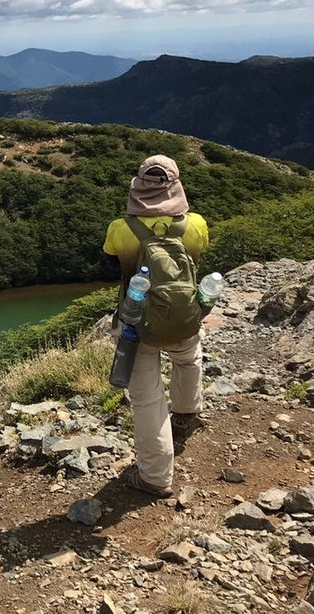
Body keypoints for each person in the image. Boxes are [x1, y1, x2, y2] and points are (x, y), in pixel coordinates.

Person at [103, 155, 209, 497]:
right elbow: (198, 255)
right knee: (188, 358)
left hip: (138, 323)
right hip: (183, 314)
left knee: (147, 399)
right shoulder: (194, 225)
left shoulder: (122, 228)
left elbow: (112, 259)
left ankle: (155, 477)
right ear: (175, 185)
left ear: (138, 187)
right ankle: (187, 413)